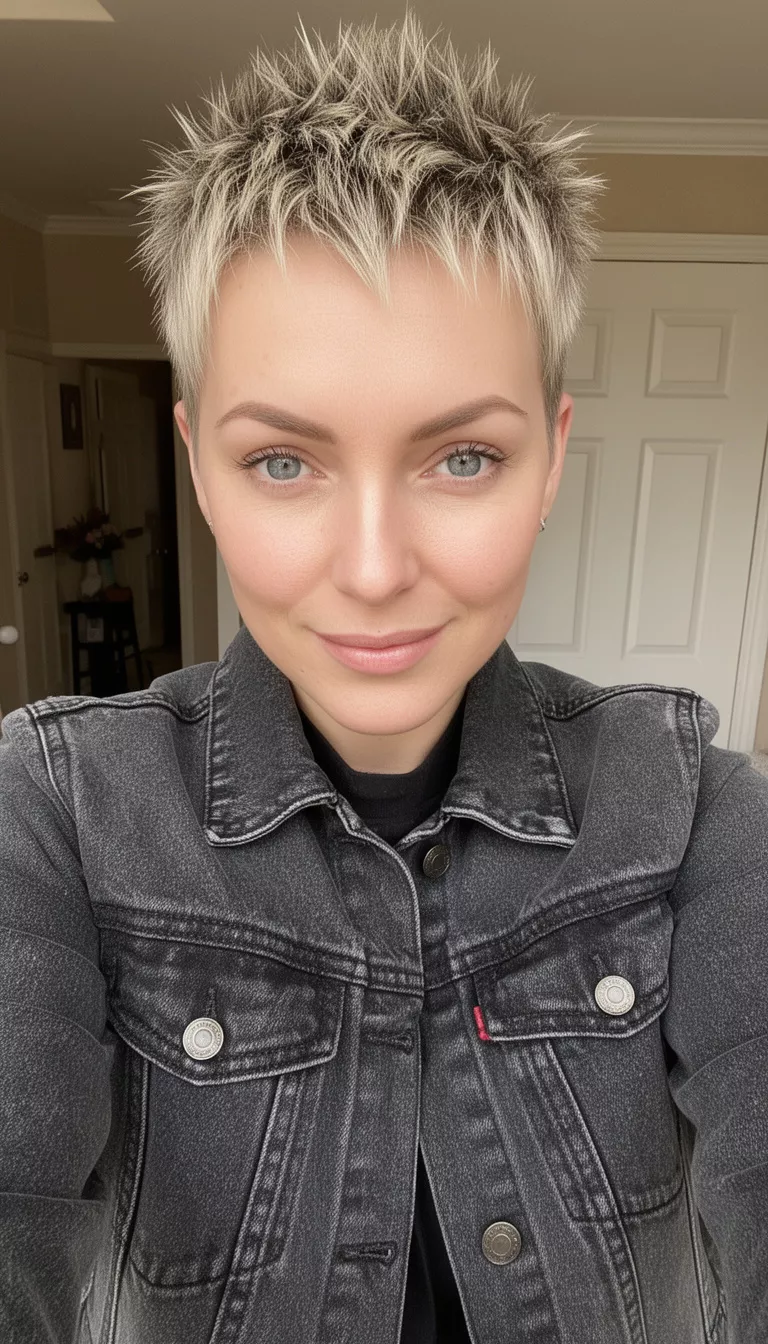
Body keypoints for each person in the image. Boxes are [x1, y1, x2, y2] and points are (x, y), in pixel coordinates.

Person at [1, 10, 767, 1343]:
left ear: (551, 459)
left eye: (460, 456)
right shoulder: (53, 816)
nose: (371, 568)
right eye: (282, 460)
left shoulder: (697, 814)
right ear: (198, 467)